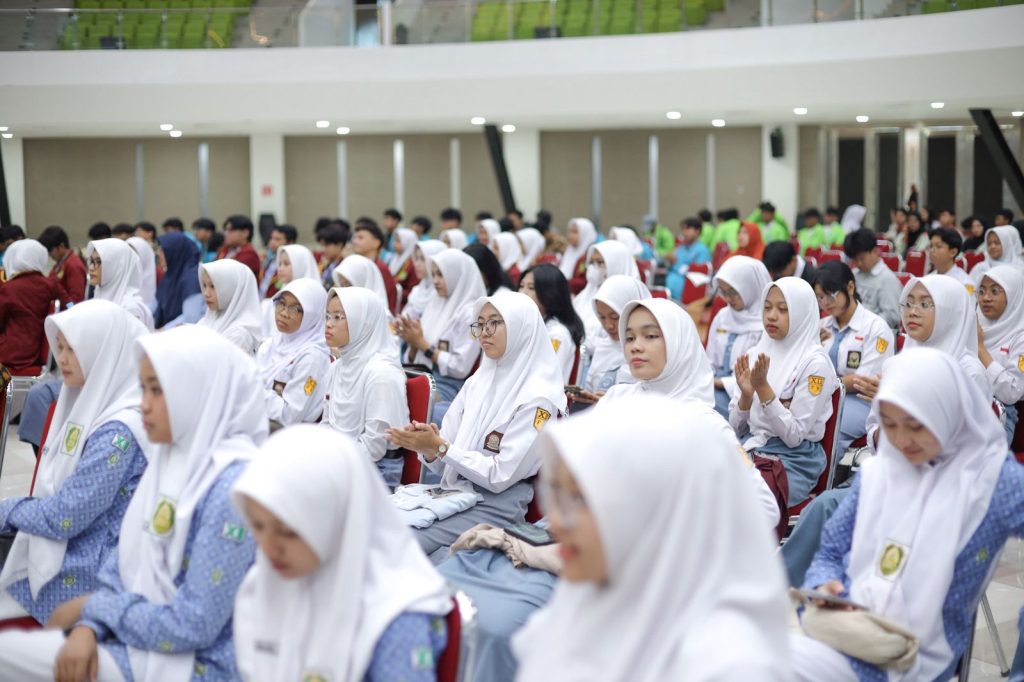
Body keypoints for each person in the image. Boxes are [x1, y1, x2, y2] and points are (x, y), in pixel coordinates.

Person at [0, 325, 266, 682]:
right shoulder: (173, 457)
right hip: (130, 630)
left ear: (199, 393)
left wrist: (92, 609)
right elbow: (122, 565)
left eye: (158, 391)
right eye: (144, 389)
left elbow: (195, 624)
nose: (143, 404)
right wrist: (89, 627)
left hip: (192, 663)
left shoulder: (233, 490)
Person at [513, 395, 791, 682]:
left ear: (652, 509)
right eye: (555, 494)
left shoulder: (725, 667)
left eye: (580, 499)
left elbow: (763, 507)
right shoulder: (577, 608)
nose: (556, 522)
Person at [790, 348, 1024, 682]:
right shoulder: (879, 471)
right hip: (849, 631)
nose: (901, 441)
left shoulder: (990, 482)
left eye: (916, 426)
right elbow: (829, 552)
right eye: (889, 424)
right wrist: (824, 585)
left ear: (947, 413)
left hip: (916, 656)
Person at [230, 426, 451, 682]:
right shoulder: (261, 584)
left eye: (289, 532)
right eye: (257, 526)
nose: (269, 548)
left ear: (336, 521)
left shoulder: (392, 621)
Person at [387, 291, 565, 563]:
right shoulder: (479, 380)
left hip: (496, 504)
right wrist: (429, 448)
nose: (484, 332)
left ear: (522, 327)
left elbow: (500, 476)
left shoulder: (541, 398)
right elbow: (444, 459)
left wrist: (442, 448)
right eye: (480, 324)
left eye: (494, 322)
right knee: (384, 524)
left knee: (403, 541)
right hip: (456, 492)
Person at [0, 301, 149, 626]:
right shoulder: (88, 399)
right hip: (65, 549)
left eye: (73, 349)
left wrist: (6, 510)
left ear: (104, 353)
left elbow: (67, 516)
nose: (62, 358)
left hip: (87, 575)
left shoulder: (119, 431)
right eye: (60, 348)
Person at [729, 277, 839, 507]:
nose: (771, 316)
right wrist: (747, 397)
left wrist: (763, 389)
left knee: (739, 497)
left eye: (783, 309)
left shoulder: (814, 364)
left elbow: (794, 436)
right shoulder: (756, 352)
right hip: (754, 446)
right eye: (767, 307)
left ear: (801, 313)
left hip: (794, 460)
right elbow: (736, 428)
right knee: (701, 478)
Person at [324, 287, 409, 488]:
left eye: (338, 317)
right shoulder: (338, 366)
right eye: (328, 316)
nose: (328, 324)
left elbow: (374, 448)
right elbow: (328, 423)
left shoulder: (382, 374)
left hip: (377, 472)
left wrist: (327, 462)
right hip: (343, 461)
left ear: (363, 323)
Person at [814, 261, 894, 454]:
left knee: (826, 428)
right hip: (822, 397)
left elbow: (862, 382)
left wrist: (823, 383)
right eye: (819, 297)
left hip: (858, 401)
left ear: (850, 287)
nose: (824, 303)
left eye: (830, 295)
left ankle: (827, 478)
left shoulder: (875, 328)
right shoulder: (821, 325)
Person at [396, 249, 484, 421]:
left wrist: (422, 345)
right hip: (419, 375)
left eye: (441, 275)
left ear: (458, 276)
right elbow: (414, 357)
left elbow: (460, 368)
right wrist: (412, 342)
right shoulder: (436, 303)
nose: (435, 280)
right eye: (433, 274)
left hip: (447, 385)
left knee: (406, 409)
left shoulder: (471, 314)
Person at [599, 298, 714, 407]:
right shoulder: (615, 398)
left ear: (678, 343)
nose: (635, 347)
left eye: (650, 335)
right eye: (629, 338)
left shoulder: (703, 420)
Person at [256, 279, 331, 427]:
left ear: (312, 315)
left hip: (288, 435)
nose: (283, 313)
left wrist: (252, 390)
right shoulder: (271, 344)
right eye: (281, 304)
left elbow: (289, 415)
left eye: (294, 309)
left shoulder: (313, 358)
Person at [706, 255, 772, 418]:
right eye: (724, 292)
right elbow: (709, 360)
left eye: (734, 292)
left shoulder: (767, 323)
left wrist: (719, 383)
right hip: (713, 386)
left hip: (745, 395)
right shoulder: (723, 316)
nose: (728, 299)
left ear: (750, 287)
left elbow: (762, 375)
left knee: (701, 409)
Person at [570, 276, 650, 409]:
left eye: (615, 317)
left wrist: (614, 403)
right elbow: (590, 387)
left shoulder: (651, 350)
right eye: (601, 317)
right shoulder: (603, 347)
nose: (608, 325)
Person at [0, 240, 71, 370]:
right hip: (41, 353)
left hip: (11, 355)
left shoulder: (8, 289)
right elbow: (70, 306)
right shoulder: (51, 284)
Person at [977, 265, 1024, 443]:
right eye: (981, 291)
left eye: (995, 291)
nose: (986, 298)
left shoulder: (1020, 337)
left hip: (999, 415)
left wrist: (981, 349)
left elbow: (1012, 392)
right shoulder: (976, 324)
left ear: (1012, 296)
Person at [519, 264, 585, 384]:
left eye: (531, 288)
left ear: (549, 293)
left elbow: (545, 381)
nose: (523, 293)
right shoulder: (535, 324)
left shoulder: (556, 334)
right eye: (521, 286)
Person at [572, 240, 640, 344]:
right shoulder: (587, 292)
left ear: (617, 264)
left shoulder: (629, 297)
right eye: (591, 262)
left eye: (600, 262)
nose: (593, 268)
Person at [84, 238, 154, 330]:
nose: (91, 268)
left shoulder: (131, 308)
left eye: (98, 262)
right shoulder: (97, 297)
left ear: (116, 267)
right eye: (91, 261)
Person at [198, 259, 263, 355]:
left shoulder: (239, 335)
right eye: (204, 285)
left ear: (232, 288)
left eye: (212, 286)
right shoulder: (207, 321)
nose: (206, 293)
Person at [843, 228, 902, 330]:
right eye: (855, 260)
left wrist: (862, 325)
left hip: (877, 335)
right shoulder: (854, 274)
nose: (858, 263)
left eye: (861, 258)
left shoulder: (887, 279)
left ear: (875, 251)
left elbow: (892, 317)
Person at [154, 232, 203, 329]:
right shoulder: (172, 273)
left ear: (175, 251)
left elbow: (191, 318)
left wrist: (163, 330)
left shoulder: (191, 278)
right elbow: (156, 303)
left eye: (162, 249)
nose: (158, 253)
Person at [351, 220, 399, 313]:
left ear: (376, 243)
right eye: (355, 237)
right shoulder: (356, 266)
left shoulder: (381, 269)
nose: (355, 241)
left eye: (360, 238)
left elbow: (388, 303)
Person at [665, 217, 712, 301]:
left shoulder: (702, 250)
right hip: (669, 284)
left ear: (697, 231)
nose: (684, 232)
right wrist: (671, 261)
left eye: (687, 229)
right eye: (683, 229)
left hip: (683, 290)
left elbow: (698, 275)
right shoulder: (680, 248)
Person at [37, 225, 87, 303]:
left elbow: (76, 302)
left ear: (61, 246)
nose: (49, 254)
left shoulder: (73, 265)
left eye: (50, 250)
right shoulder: (60, 263)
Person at [403, 240, 446, 321]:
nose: (417, 264)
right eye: (417, 258)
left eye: (423, 259)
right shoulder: (416, 291)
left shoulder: (440, 294)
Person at [929, 227, 974, 292]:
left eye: (938, 246)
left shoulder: (965, 283)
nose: (932, 250)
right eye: (931, 246)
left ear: (953, 252)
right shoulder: (928, 279)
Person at [258, 224, 297, 299]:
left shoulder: (293, 264)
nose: (272, 242)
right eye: (271, 238)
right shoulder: (269, 260)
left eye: (277, 239)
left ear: (290, 242)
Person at [559, 218, 597, 293]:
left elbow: (583, 282)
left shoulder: (591, 256)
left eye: (575, 232)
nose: (570, 235)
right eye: (569, 231)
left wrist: (563, 283)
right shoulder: (568, 251)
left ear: (585, 234)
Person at [218, 215, 261, 280]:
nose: (226, 233)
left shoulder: (249, 255)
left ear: (245, 233)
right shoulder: (224, 249)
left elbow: (231, 277)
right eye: (226, 230)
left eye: (230, 230)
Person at [388, 226, 421, 304]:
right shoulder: (393, 259)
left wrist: (395, 292)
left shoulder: (413, 264)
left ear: (408, 242)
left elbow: (412, 290)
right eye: (394, 240)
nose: (394, 243)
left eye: (398, 241)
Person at [125, 236, 157, 315]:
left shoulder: (158, 274)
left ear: (144, 253)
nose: (132, 257)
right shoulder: (123, 274)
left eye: (134, 252)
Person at [316, 224, 349, 291]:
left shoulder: (346, 269)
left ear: (340, 245)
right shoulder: (322, 266)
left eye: (326, 245)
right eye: (322, 245)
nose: (323, 249)